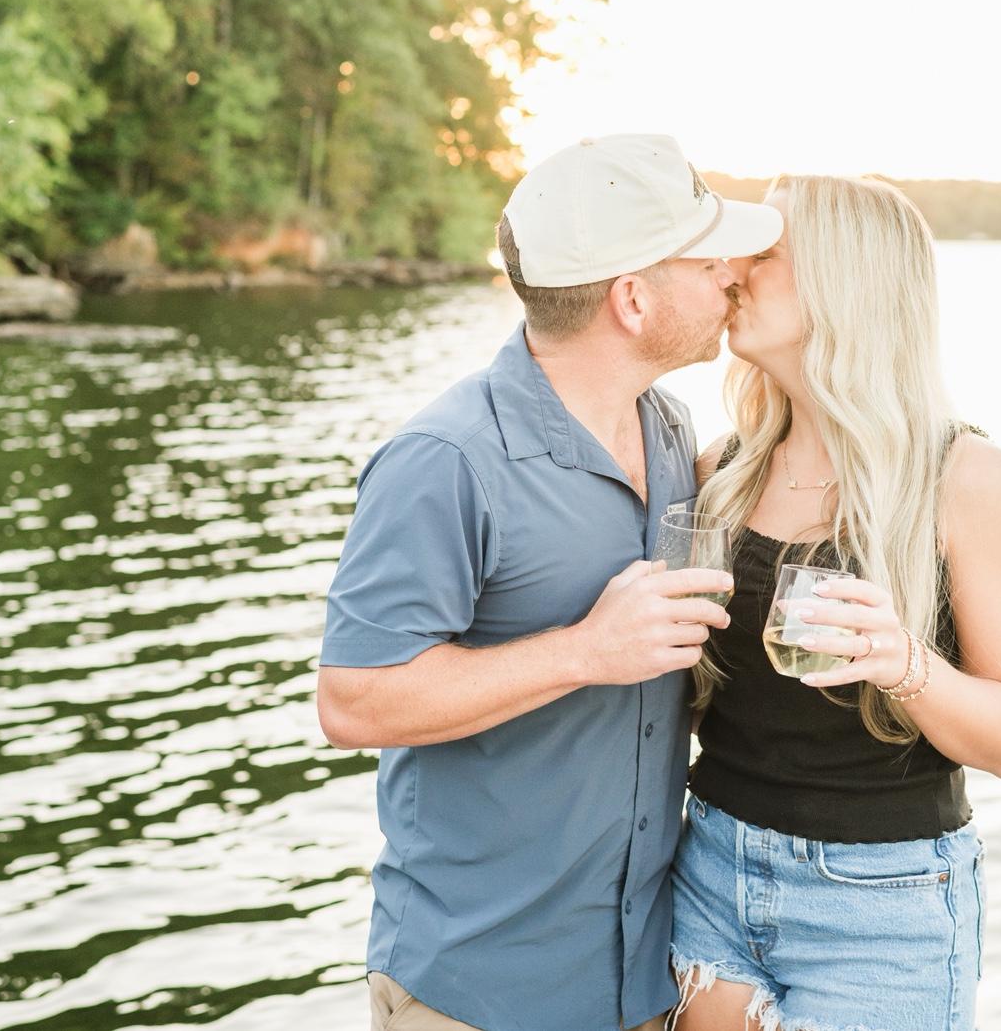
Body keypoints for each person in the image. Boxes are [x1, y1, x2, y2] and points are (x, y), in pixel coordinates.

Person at [317, 134, 784, 1031]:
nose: (729, 276)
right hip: (477, 993)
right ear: (633, 299)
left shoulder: (667, 427)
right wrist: (585, 652)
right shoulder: (445, 460)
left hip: (645, 983)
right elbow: (354, 701)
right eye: (706, 260)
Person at [668, 175, 1001, 1031]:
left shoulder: (966, 479)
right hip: (709, 871)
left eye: (765, 255)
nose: (730, 271)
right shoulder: (720, 470)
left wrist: (904, 662)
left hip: (882, 908)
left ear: (844, 282)